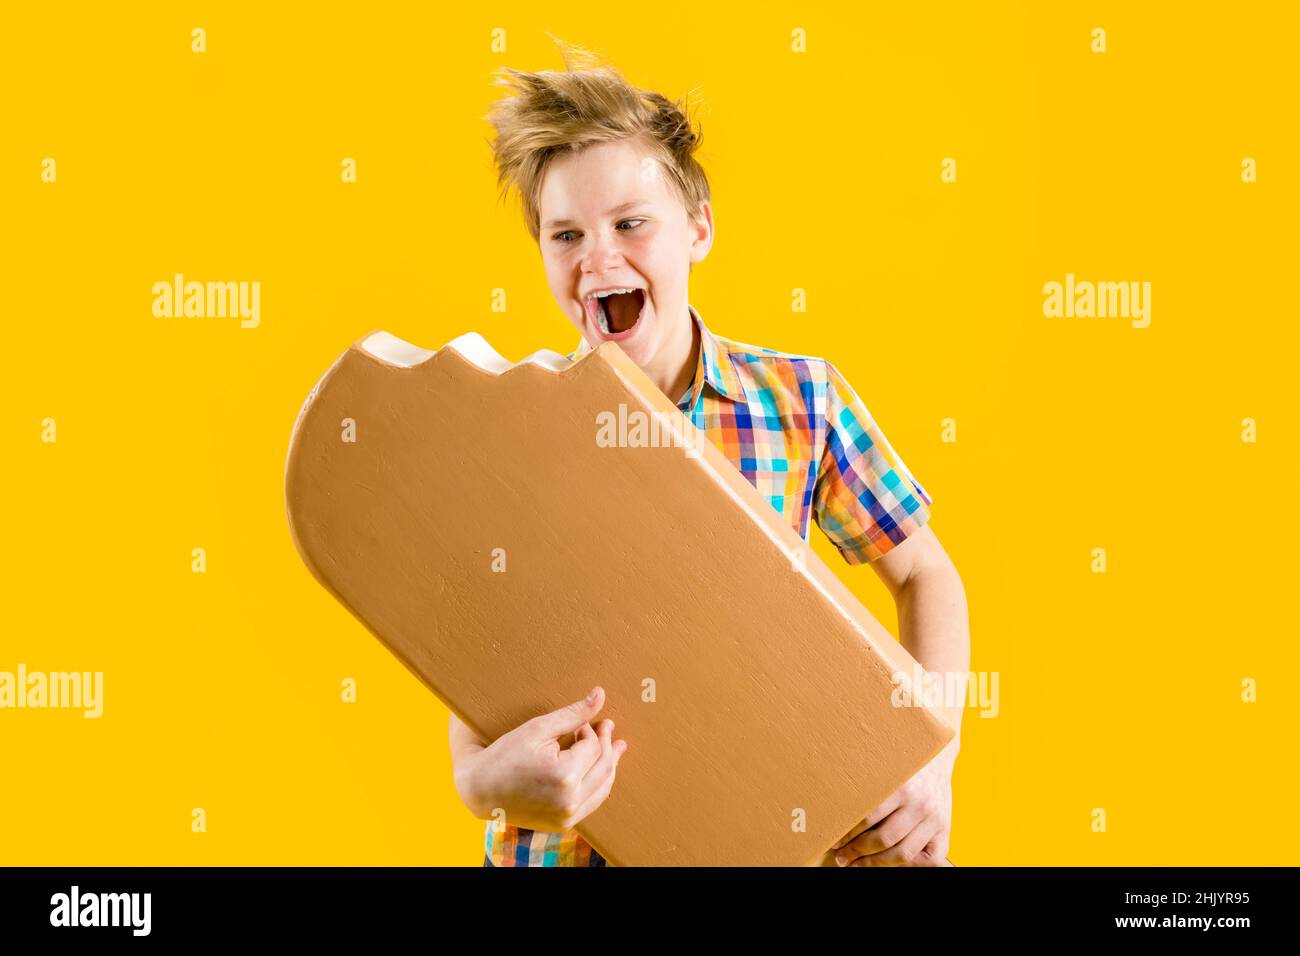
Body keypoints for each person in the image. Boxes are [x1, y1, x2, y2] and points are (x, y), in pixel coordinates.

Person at [451, 41, 970, 868]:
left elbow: (925, 573)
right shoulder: (513, 443)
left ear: (698, 228)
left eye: (630, 223)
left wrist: (932, 756)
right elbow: (473, 704)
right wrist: (484, 786)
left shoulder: (802, 404)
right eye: (566, 235)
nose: (598, 258)